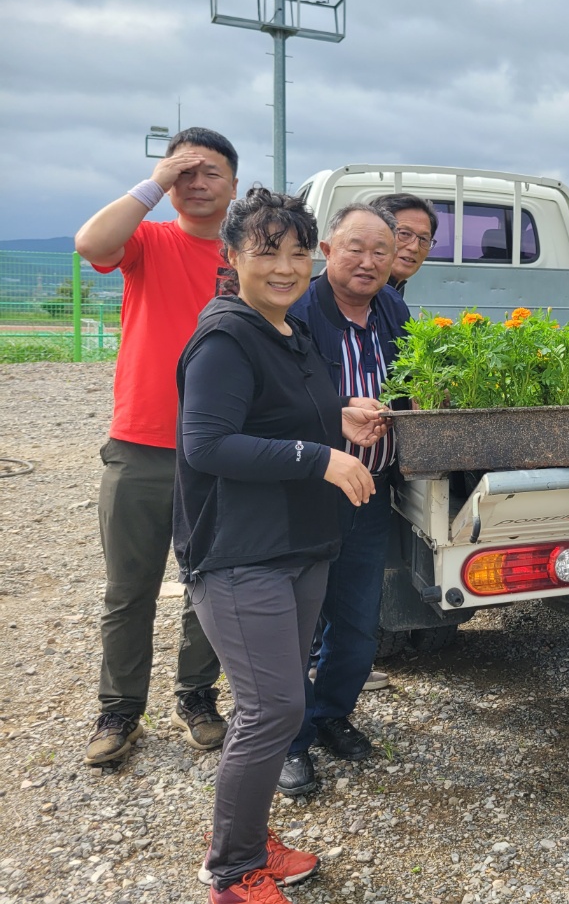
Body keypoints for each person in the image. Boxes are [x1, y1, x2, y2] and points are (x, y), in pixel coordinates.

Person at [174, 186, 383, 904]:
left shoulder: (288, 332)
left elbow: (280, 419)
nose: (287, 267)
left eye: (298, 252)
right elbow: (207, 445)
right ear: (233, 257)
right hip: (239, 554)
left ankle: (248, 840)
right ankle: (231, 873)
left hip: (298, 546)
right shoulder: (226, 336)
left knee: (279, 705)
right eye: (268, 251)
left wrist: (341, 421)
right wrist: (320, 458)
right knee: (272, 711)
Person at [73, 127, 239, 766]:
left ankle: (197, 696)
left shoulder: (245, 255)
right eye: (183, 173)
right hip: (141, 440)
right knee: (129, 587)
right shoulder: (148, 238)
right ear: (167, 181)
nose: (196, 184)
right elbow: (92, 242)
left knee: (211, 582)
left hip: (221, 446)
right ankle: (119, 710)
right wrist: (153, 183)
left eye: (210, 172)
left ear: (232, 183)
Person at [277, 203, 412, 797]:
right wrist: (337, 419)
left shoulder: (393, 310)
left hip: (371, 492)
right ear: (327, 250)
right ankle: (289, 741)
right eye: (355, 247)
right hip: (304, 491)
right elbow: (275, 404)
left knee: (357, 623)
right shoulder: (295, 313)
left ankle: (332, 714)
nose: (368, 261)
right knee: (293, 626)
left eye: (381, 251)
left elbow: (410, 387)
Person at [370, 192, 440, 294]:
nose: (414, 247)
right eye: (404, 234)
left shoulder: (393, 291)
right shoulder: (359, 292)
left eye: (424, 239)